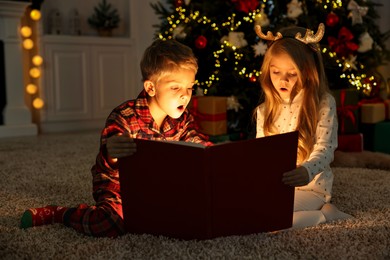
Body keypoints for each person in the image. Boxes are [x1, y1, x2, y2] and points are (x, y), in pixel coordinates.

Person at [20, 39, 212, 237]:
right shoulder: (124, 115)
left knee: (197, 212)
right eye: (175, 88)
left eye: (189, 87)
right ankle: (61, 214)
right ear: (151, 88)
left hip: (161, 187)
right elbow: (108, 158)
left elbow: (197, 141)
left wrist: (211, 154)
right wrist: (112, 151)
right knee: (110, 223)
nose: (185, 95)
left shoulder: (184, 119)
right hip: (120, 185)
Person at [254, 23, 352, 228]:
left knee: (270, 221)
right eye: (276, 72)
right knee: (248, 211)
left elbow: (325, 149)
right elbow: (261, 153)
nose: (283, 79)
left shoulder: (323, 103)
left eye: (292, 73)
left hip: (312, 190)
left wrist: (306, 171)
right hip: (278, 187)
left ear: (308, 72)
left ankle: (326, 215)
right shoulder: (265, 110)